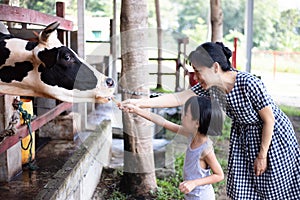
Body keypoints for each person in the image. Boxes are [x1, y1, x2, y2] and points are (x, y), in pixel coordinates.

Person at [119, 42, 300, 199]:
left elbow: (270, 120)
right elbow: (176, 99)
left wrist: (262, 155)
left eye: (198, 72)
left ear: (215, 67)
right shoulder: (210, 87)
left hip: (272, 137)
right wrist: (139, 103)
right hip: (246, 137)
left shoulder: (248, 83)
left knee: (274, 186)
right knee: (247, 186)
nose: (196, 77)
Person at [121, 96, 224, 199]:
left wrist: (194, 183)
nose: (181, 116)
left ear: (197, 123)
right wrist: (137, 110)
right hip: (191, 194)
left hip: (202, 197)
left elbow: (219, 175)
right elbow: (163, 122)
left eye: (185, 115)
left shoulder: (205, 149)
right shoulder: (191, 134)